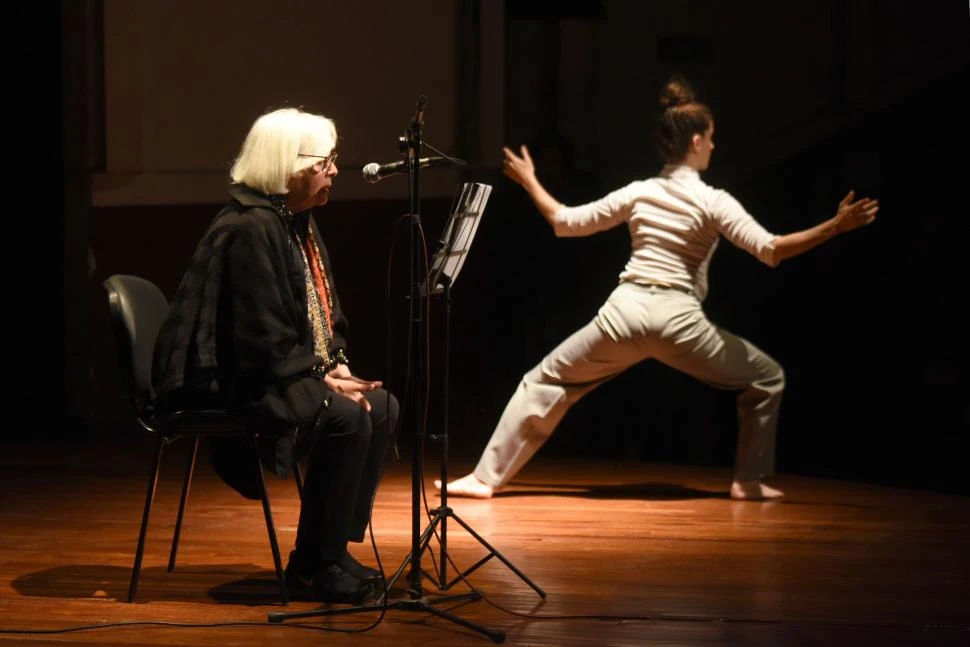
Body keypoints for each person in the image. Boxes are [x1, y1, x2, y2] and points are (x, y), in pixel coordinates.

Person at [437, 75, 878, 502]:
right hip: (678, 322)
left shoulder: (640, 192)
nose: (714, 145)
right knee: (767, 378)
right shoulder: (713, 200)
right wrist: (835, 227)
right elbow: (771, 250)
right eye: (712, 137)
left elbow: (563, 222)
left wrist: (531, 180)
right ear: (697, 141)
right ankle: (749, 480)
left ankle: (484, 477)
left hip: (623, 315)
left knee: (543, 380)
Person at [152, 107, 398, 603]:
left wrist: (337, 362)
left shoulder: (293, 221)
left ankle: (326, 550)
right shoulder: (249, 228)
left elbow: (322, 313)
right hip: (229, 378)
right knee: (347, 416)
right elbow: (257, 337)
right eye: (324, 161)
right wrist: (321, 378)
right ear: (288, 166)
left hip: (275, 365)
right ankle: (316, 565)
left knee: (383, 406)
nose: (334, 170)